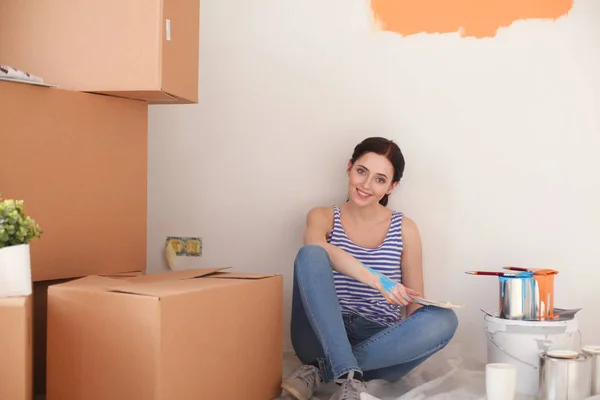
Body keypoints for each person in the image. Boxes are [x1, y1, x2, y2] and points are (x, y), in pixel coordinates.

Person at [279, 137, 459, 400]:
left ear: (392, 187)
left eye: (379, 179)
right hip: (320, 334)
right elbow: (318, 252)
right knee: (311, 253)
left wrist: (409, 339)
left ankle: (326, 371)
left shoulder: (405, 228)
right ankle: (344, 368)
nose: (365, 185)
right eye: (361, 171)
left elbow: (414, 305)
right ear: (349, 167)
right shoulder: (322, 216)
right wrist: (378, 281)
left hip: (379, 340)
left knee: (444, 319)